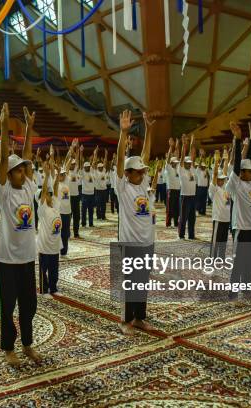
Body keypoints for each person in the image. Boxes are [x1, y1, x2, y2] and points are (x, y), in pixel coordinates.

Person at [0, 103, 42, 366]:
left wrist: (29, 130)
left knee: (29, 306)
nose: (23, 173)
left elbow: (28, 156)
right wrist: (3, 127)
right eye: (18, 170)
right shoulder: (4, 192)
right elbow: (3, 158)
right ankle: (8, 348)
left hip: (27, 259)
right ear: (9, 174)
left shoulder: (28, 187)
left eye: (24, 170)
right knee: (7, 308)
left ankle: (27, 344)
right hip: (7, 261)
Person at [115, 110, 157, 335]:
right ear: (128, 173)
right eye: (138, 171)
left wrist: (149, 129)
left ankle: (140, 317)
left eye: (143, 171)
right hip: (129, 244)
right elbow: (120, 159)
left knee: (142, 282)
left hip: (146, 242)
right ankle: (125, 320)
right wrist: (123, 133)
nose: (142, 173)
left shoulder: (142, 185)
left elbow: (147, 155)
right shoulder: (122, 187)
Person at [225, 122, 251, 300]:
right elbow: (239, 164)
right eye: (249, 172)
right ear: (241, 173)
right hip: (241, 229)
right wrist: (238, 141)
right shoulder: (236, 184)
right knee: (238, 262)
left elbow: (248, 160)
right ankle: (233, 291)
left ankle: (246, 287)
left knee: (249, 262)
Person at [37, 159, 63, 298]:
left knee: (54, 270)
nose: (50, 195)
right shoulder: (42, 208)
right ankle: (43, 290)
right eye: (47, 194)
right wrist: (47, 175)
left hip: (54, 245)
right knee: (43, 269)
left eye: (50, 194)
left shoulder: (55, 206)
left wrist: (57, 175)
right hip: (44, 245)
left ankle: (53, 288)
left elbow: (55, 188)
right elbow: (45, 190)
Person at [208, 149, 230, 259]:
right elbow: (215, 174)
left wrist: (226, 160)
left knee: (223, 240)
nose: (222, 181)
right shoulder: (214, 189)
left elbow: (225, 173)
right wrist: (216, 162)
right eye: (220, 179)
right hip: (218, 219)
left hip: (226, 219)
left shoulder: (226, 187)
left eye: (223, 180)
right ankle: (212, 258)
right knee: (216, 239)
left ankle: (221, 258)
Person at [178, 134, 197, 240]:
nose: (189, 164)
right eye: (187, 163)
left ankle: (191, 234)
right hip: (184, 196)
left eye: (190, 163)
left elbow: (193, 154)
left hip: (193, 196)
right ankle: (181, 234)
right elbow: (181, 159)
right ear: (184, 163)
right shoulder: (181, 170)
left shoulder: (192, 170)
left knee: (192, 218)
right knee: (183, 217)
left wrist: (192, 142)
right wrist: (184, 146)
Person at [164, 139, 181, 228]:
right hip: (171, 190)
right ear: (171, 163)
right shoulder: (168, 168)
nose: (176, 163)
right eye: (174, 162)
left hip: (178, 190)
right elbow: (167, 160)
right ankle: (168, 223)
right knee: (170, 208)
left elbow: (178, 156)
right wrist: (171, 147)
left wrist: (177, 146)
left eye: (176, 162)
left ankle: (175, 223)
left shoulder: (177, 168)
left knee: (177, 208)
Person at [81, 146, 97, 228]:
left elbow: (94, 162)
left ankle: (91, 223)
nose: (87, 167)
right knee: (84, 210)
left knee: (91, 210)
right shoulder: (83, 173)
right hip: (85, 195)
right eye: (86, 166)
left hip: (92, 194)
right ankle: (83, 223)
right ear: (84, 167)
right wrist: (81, 152)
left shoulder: (92, 171)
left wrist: (95, 153)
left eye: (88, 166)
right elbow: (80, 162)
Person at [94, 153, 109, 221]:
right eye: (100, 167)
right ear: (97, 168)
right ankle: (98, 216)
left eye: (102, 167)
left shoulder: (104, 171)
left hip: (104, 190)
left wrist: (106, 154)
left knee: (104, 204)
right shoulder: (96, 172)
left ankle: (103, 216)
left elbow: (105, 162)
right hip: (98, 190)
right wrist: (95, 154)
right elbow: (94, 164)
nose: (101, 168)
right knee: (98, 204)